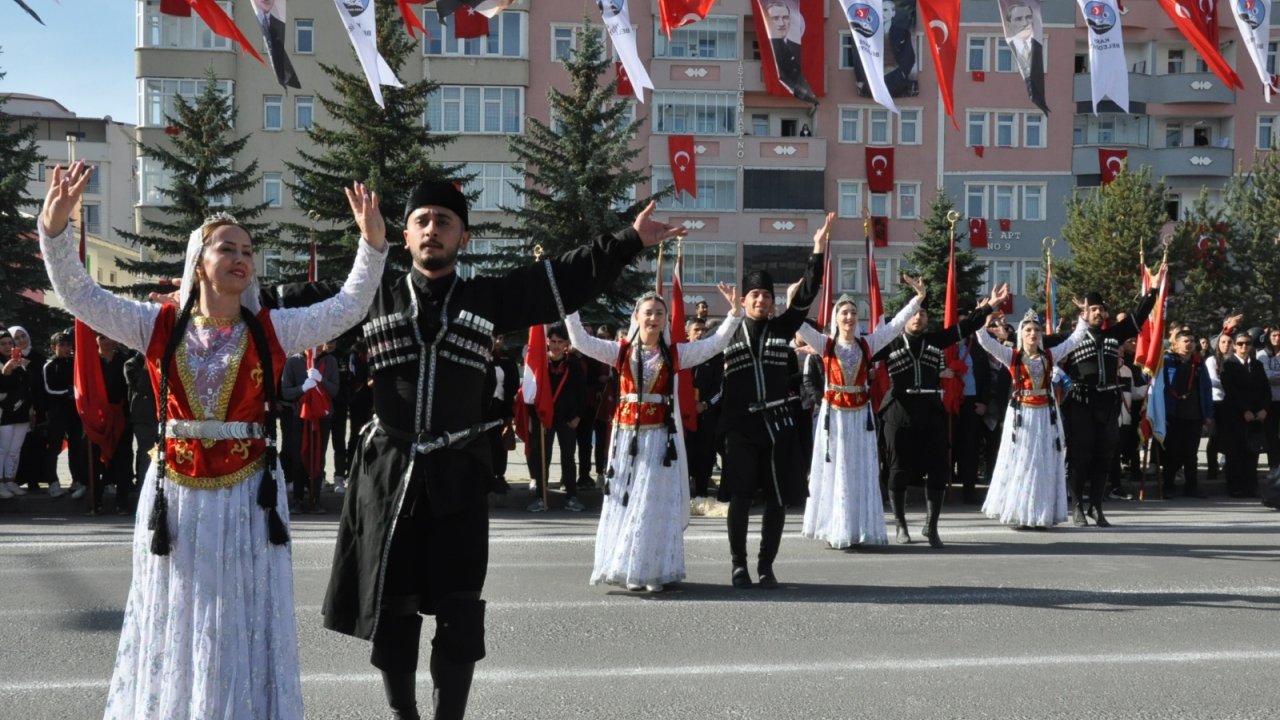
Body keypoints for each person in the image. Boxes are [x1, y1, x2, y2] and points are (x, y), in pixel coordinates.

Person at [310, 182, 684, 720]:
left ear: (464, 235)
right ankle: (404, 715)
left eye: (444, 220)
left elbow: (565, 278)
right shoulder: (372, 296)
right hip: (388, 480)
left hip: (459, 476)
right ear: (405, 233)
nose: (432, 228)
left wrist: (629, 240)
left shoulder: (488, 298)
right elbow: (293, 311)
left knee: (460, 612)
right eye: (422, 220)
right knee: (395, 610)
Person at [38, 161, 387, 719]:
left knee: (239, 617)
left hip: (249, 495)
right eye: (228, 248)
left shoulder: (272, 329)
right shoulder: (157, 324)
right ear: (199, 261)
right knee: (176, 611)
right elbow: (82, 297)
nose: (242, 258)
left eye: (248, 250)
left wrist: (371, 248)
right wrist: (54, 233)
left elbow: (347, 307)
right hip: (175, 496)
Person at [566, 283, 742, 591]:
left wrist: (734, 314)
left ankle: (652, 569)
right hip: (626, 442)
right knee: (626, 501)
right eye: (648, 312)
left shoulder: (675, 354)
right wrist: (571, 307)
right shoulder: (618, 351)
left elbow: (713, 345)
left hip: (659, 441)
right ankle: (627, 566)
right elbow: (580, 341)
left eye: (659, 313)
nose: (654, 318)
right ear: (637, 316)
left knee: (651, 505)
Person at [718, 213, 831, 589]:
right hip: (741, 429)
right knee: (741, 495)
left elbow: (807, 295)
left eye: (767, 296)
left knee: (778, 498)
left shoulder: (783, 327)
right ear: (744, 299)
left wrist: (817, 248)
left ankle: (766, 566)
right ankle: (738, 565)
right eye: (756, 296)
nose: (763, 301)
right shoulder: (729, 332)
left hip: (779, 425)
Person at [872, 286, 1006, 547]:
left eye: (923, 313)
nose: (918, 317)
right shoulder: (888, 343)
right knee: (897, 470)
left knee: (938, 470)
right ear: (904, 317)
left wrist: (989, 307)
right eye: (914, 313)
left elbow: (965, 327)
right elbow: (858, 353)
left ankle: (931, 526)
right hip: (898, 411)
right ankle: (900, 525)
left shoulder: (935, 340)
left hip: (931, 410)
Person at [798, 277, 924, 549]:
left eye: (853, 312)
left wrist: (917, 300)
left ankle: (858, 528)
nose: (850, 317)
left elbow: (894, 327)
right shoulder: (825, 344)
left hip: (860, 418)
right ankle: (835, 529)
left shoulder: (868, 344)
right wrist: (794, 299)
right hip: (836, 418)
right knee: (837, 471)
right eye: (844, 312)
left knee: (859, 471)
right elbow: (798, 325)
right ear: (835, 317)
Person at [1052, 269, 1164, 528]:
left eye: (1101, 309)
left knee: (1105, 455)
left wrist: (1153, 291)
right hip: (1081, 402)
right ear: (1084, 313)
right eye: (1093, 309)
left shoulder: (1115, 333)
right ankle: (1078, 505)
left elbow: (1139, 317)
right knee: (1080, 456)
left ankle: (1097, 506)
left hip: (1108, 403)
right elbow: (1042, 346)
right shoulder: (1072, 338)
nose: (1098, 313)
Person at [976, 303, 1088, 528]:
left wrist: (1083, 318)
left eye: (1036, 330)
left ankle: (1040, 514)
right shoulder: (1012, 356)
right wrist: (983, 318)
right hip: (1022, 415)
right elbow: (985, 342)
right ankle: (1019, 513)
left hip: (1045, 414)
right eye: (1028, 330)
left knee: (1042, 462)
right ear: (1021, 334)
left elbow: (1074, 340)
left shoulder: (1049, 355)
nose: (1033, 334)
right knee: (1022, 461)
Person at [525, 324, 588, 512]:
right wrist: (536, 418)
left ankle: (571, 496)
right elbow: (529, 393)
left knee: (568, 457)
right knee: (542, 457)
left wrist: (578, 416)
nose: (556, 345)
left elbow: (581, 393)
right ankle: (540, 497)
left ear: (567, 344)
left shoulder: (574, 364)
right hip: (544, 418)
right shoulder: (539, 364)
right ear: (546, 341)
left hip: (567, 419)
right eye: (553, 341)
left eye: (560, 342)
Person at [1162, 328, 1214, 498]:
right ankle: (1168, 486)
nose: (1190, 344)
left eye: (1192, 341)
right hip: (1174, 414)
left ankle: (1192, 487)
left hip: (1194, 414)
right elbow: (1159, 386)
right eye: (1186, 341)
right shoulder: (1167, 361)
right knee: (1172, 452)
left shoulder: (1198, 362)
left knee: (1191, 454)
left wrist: (1207, 414)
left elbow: (1206, 388)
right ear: (1175, 344)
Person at [1220, 331, 1269, 498]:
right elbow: (1231, 390)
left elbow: (1265, 389)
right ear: (1234, 345)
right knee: (1235, 452)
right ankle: (1235, 486)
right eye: (1240, 343)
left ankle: (1250, 486)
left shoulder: (1257, 365)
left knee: (1252, 452)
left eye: (1247, 343)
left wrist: (1264, 409)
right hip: (1235, 415)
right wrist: (1244, 410)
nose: (1244, 347)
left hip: (1255, 415)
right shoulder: (1229, 364)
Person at [684, 316, 724, 498]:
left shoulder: (714, 355)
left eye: (703, 330)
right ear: (687, 333)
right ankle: (683, 493)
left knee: (705, 454)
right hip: (684, 415)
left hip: (706, 414)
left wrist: (705, 405)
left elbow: (720, 387)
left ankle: (701, 492)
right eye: (696, 330)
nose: (700, 334)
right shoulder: (681, 353)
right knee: (685, 454)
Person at [41, 331, 83, 500]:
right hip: (57, 413)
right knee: (55, 448)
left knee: (76, 447)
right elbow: (48, 389)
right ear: (53, 347)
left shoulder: (75, 363)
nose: (66, 348)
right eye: (62, 345)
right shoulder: (49, 366)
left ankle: (78, 480)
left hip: (74, 412)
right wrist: (68, 392)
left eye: (68, 345)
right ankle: (53, 482)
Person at [0, 329, 36, 500]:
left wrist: (31, 410)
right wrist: (6, 371)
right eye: (3, 344)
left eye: (10, 343)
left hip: (21, 412)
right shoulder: (3, 364)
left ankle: (10, 480)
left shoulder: (18, 361)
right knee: (3, 449)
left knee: (15, 450)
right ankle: (0, 483)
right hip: (4, 413)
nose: (8, 347)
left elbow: (27, 386)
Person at [763, 0, 819, 105]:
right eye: (776, 18)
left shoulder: (797, 48)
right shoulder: (768, 50)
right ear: (769, 21)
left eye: (785, 17)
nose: (781, 23)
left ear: (790, 20)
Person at [483, 335, 518, 494]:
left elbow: (514, 382)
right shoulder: (481, 357)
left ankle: (500, 475)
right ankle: (485, 476)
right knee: (485, 443)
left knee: (501, 444)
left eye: (501, 338)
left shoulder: (507, 359)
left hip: (502, 407)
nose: (497, 342)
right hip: (484, 409)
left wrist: (510, 410)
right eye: (494, 338)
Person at [1253, 327, 1280, 471]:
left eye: (1279, 335)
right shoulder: (1262, 354)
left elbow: (1272, 375)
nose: (1277, 338)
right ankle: (1274, 466)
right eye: (1274, 335)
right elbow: (1266, 376)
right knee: (1271, 435)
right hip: (1270, 401)